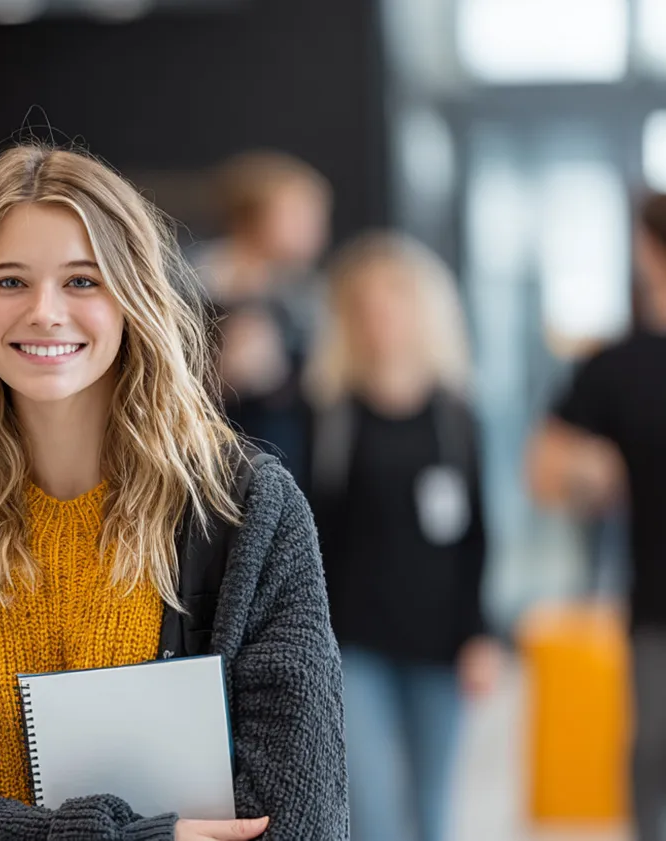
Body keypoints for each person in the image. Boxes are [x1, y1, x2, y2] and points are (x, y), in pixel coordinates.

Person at [0, 145, 348, 840]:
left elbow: (300, 820)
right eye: (9, 281)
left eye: (82, 281)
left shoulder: (247, 518)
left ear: (134, 296)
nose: (44, 311)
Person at [303, 233, 502, 841]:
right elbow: (312, 539)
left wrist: (481, 635)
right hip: (353, 644)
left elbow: (477, 539)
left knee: (432, 811)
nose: (379, 318)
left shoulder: (457, 418)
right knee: (373, 811)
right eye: (364, 305)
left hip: (441, 643)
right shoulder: (328, 415)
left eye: (394, 301)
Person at [528, 193, 666, 841]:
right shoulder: (616, 367)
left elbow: (547, 473)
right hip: (657, 606)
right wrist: (601, 473)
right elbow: (549, 475)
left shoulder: (614, 364)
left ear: (644, 249)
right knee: (654, 759)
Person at [195, 151, 332, 488]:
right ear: (251, 217)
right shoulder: (198, 280)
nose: (315, 229)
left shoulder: (304, 293)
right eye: (298, 214)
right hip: (213, 461)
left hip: (287, 464)